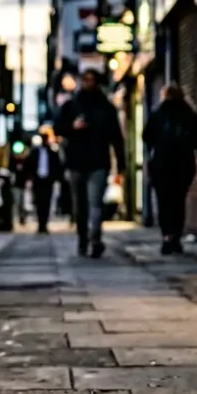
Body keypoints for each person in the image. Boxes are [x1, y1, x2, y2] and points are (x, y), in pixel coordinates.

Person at [55, 69, 126, 258]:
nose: (87, 83)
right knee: (82, 206)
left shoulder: (102, 107)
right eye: (85, 79)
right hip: (80, 162)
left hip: (94, 162)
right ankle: (85, 239)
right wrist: (73, 127)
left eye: (90, 79)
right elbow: (58, 128)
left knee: (93, 204)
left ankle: (93, 239)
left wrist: (121, 163)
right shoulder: (73, 106)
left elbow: (116, 137)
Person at [144, 83, 197, 254]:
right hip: (183, 164)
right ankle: (175, 236)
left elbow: (146, 136)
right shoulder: (188, 114)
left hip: (161, 164)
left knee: (164, 201)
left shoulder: (158, 114)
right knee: (178, 201)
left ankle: (167, 236)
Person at [24, 130, 63, 234]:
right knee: (38, 202)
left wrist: (55, 178)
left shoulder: (52, 153)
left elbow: (57, 167)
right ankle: (40, 223)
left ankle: (44, 224)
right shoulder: (35, 152)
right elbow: (28, 165)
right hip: (37, 181)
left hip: (48, 181)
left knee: (47, 202)